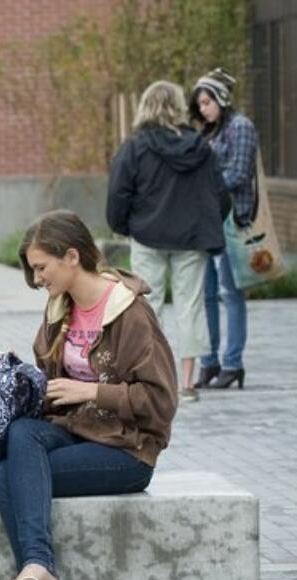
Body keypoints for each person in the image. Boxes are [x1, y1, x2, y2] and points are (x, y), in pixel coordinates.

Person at [0, 210, 177, 580]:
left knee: (7, 476)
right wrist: (21, 378)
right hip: (76, 431)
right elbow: (53, 391)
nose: (37, 277)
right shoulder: (58, 310)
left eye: (41, 267)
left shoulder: (130, 312)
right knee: (21, 435)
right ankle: (38, 573)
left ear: (71, 256)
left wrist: (92, 392)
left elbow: (160, 403)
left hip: (127, 450)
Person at [107, 80, 230, 401]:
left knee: (148, 306)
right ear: (178, 107)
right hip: (191, 239)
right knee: (190, 307)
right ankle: (187, 382)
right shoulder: (199, 147)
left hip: (147, 236)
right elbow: (221, 194)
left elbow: (119, 193)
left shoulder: (134, 147)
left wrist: (123, 226)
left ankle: (151, 381)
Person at [189, 68, 258, 390]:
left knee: (231, 294)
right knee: (207, 296)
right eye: (200, 104)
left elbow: (239, 174)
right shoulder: (208, 133)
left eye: (207, 102)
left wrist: (203, 187)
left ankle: (233, 363)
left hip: (232, 222)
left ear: (222, 99)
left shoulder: (241, 127)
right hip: (207, 222)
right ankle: (209, 362)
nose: (203, 109)